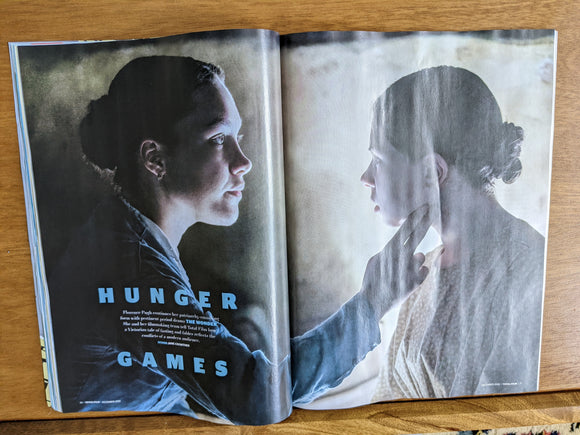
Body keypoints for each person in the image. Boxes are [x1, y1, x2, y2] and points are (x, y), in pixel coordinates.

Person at [47, 56, 431, 424]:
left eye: (239, 137)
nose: (243, 161)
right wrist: (371, 304)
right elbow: (257, 396)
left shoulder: (127, 234)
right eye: (219, 138)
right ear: (155, 159)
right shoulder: (132, 266)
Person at [360, 66, 545, 400]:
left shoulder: (531, 271)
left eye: (378, 160)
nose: (366, 178)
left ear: (433, 172)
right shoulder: (418, 273)